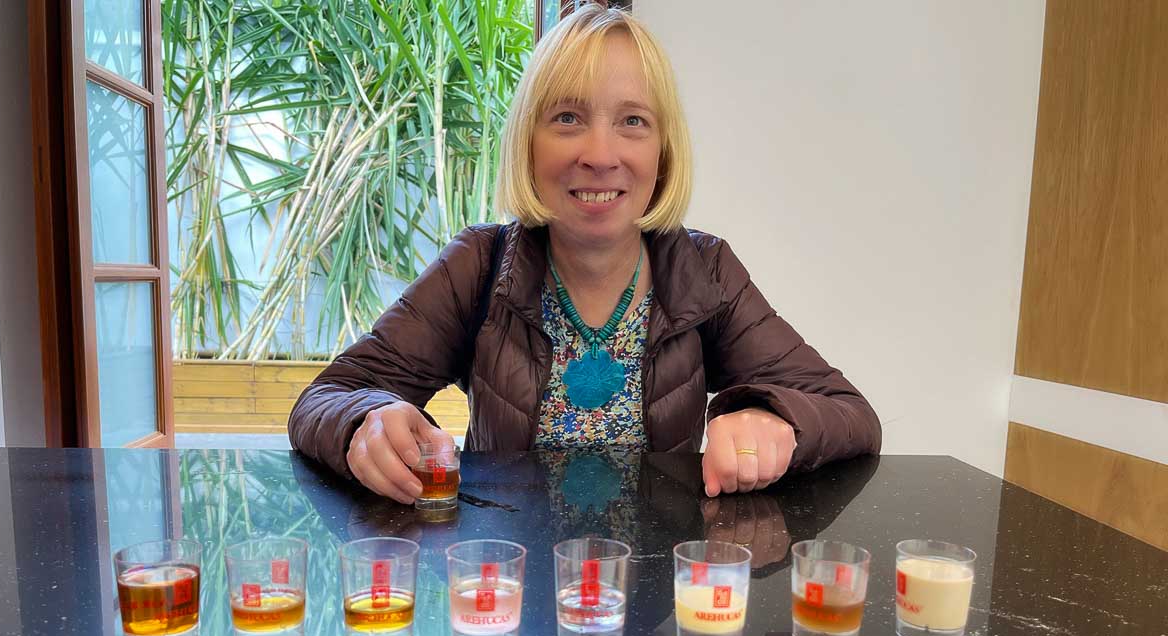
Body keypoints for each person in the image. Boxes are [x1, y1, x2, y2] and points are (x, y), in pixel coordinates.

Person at [288, 4, 881, 505]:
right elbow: (325, 398)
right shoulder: (478, 264)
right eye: (568, 118)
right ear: (528, 142)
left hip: (654, 603)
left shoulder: (705, 269)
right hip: (512, 600)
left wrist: (774, 417)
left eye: (633, 121)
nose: (600, 154)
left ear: (663, 152)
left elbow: (851, 415)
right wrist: (362, 424)